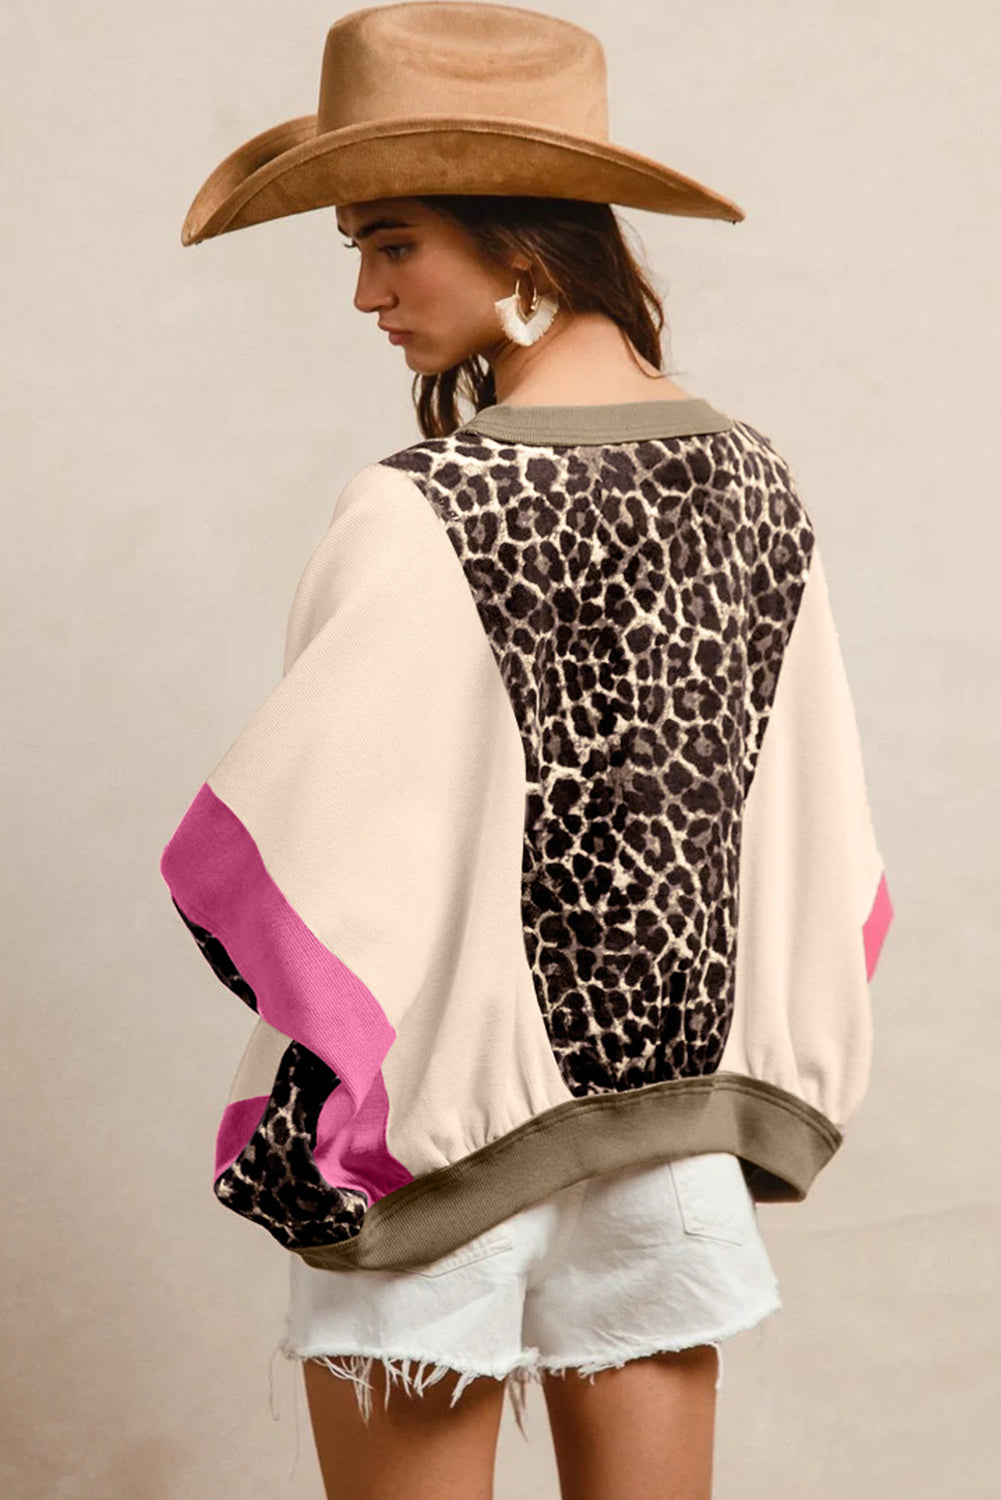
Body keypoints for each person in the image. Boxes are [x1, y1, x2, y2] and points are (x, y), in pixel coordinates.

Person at [162, 6, 894, 1498]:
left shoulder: (421, 504)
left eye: (393, 244)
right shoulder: (756, 482)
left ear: (523, 245)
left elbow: (272, 855)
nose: (366, 293)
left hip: (438, 1145)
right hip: (672, 1141)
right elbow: (820, 832)